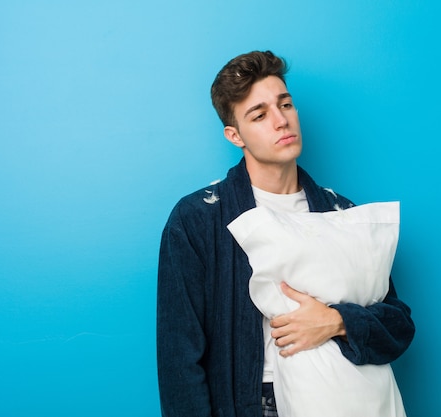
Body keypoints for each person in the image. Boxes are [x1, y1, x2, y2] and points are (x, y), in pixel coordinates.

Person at [157, 50, 415, 417]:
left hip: (344, 400)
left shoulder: (341, 213)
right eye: (259, 115)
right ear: (235, 135)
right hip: (255, 403)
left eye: (286, 105)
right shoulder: (197, 219)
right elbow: (178, 358)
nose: (281, 121)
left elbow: (399, 326)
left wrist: (338, 322)